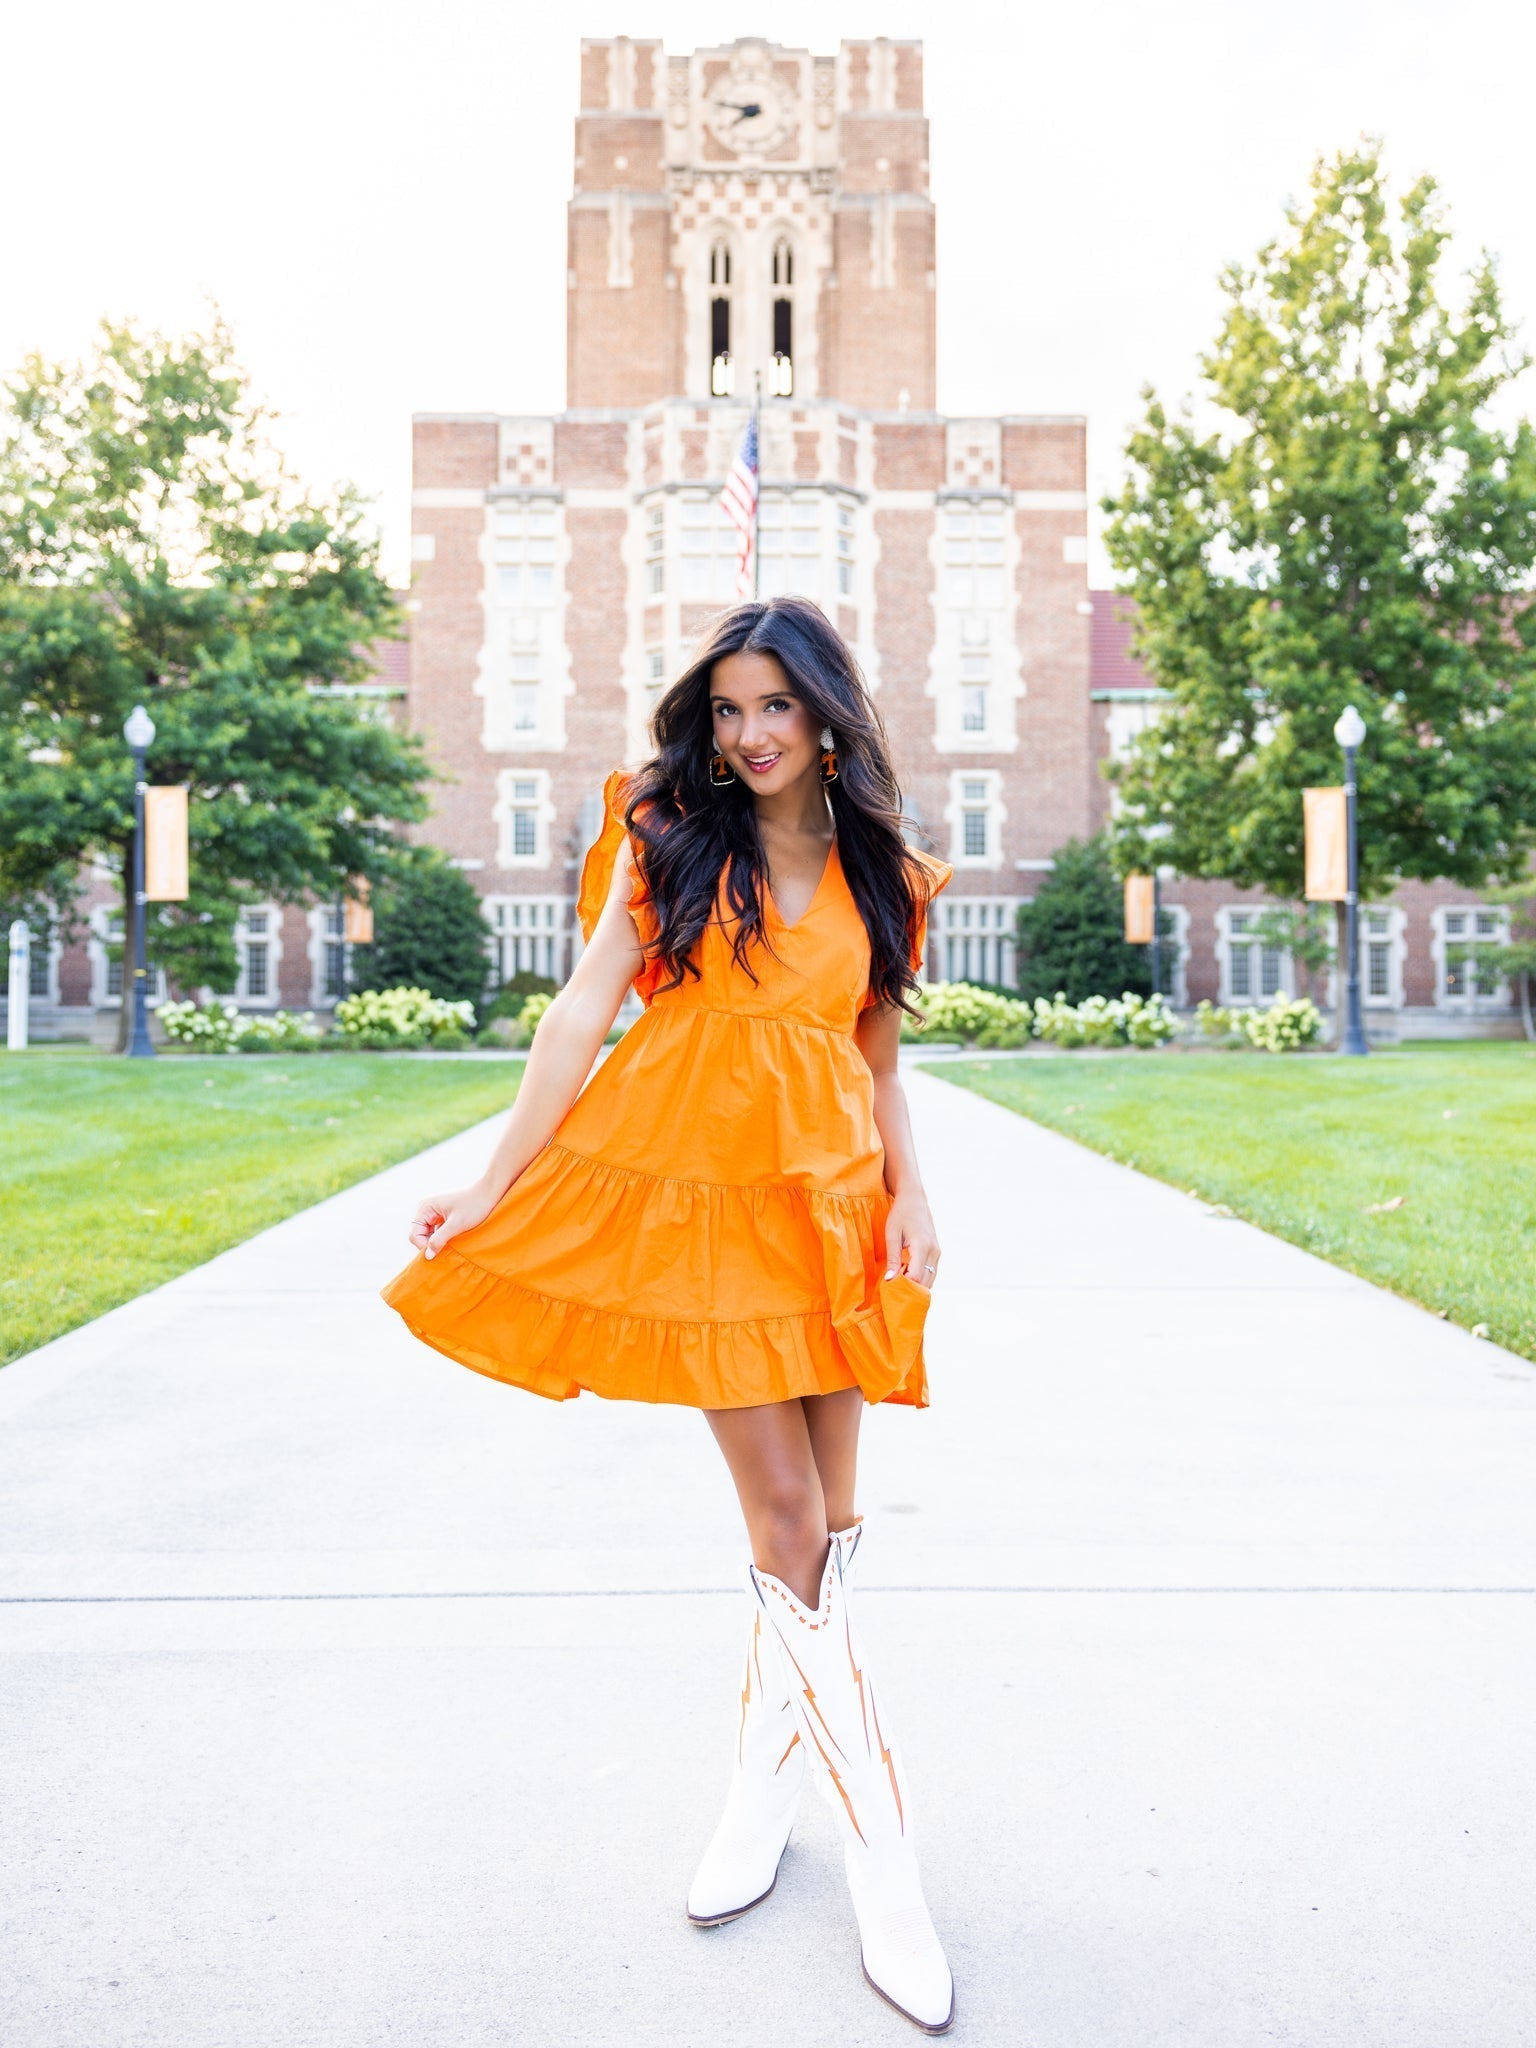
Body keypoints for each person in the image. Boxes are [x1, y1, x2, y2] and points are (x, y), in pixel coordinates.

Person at [383, 596, 956, 2034]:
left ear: (827, 716)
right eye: (728, 710)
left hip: (826, 1209)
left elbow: (873, 1063)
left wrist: (915, 1198)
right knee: (782, 1525)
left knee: (823, 1533)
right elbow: (579, 1014)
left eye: (775, 706)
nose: (750, 734)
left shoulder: (888, 874)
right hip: (697, 1209)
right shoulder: (670, 840)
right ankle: (887, 1862)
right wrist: (491, 1174)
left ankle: (758, 1801)